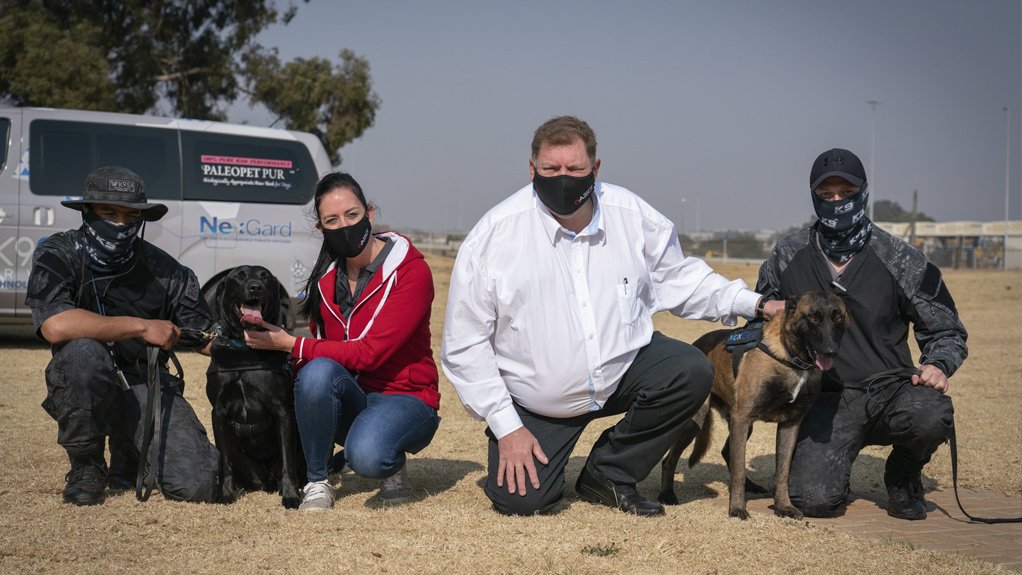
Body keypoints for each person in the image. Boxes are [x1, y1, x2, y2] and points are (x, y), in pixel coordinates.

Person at [440, 116, 783, 516]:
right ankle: (529, 443)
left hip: (620, 373)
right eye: (551, 170)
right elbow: (465, 345)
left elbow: (679, 278)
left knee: (690, 370)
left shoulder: (631, 215)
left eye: (575, 169)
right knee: (522, 501)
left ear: (596, 169)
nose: (563, 178)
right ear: (532, 169)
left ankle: (609, 472)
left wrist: (755, 304)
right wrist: (508, 427)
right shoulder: (493, 237)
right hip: (538, 402)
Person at [756, 148, 968, 520]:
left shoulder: (901, 257)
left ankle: (903, 476)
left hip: (891, 390)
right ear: (813, 197)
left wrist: (938, 364)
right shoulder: (787, 255)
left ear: (863, 193)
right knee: (813, 501)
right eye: (826, 195)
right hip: (824, 398)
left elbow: (947, 328)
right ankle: (831, 466)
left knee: (930, 414)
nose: (837, 202)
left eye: (846, 193)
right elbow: (759, 322)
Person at [245, 172, 440, 511]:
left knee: (367, 457)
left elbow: (370, 353)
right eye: (332, 220)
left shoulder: (411, 271)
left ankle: (389, 460)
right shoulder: (324, 280)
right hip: (356, 395)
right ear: (321, 229)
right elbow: (321, 359)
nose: (345, 226)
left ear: (370, 213)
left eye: (352, 215)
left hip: (406, 398)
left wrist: (290, 344)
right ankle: (317, 481)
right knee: (316, 372)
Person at [26, 165, 219, 506]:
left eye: (130, 216)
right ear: (87, 212)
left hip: (146, 382)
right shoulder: (58, 253)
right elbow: (55, 325)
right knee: (84, 353)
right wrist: (143, 326)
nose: (119, 223)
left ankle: (130, 452)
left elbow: (206, 337)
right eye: (108, 213)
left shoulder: (167, 271)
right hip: (84, 380)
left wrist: (266, 342)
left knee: (197, 485)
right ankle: (86, 464)